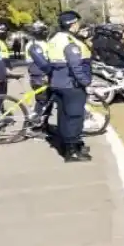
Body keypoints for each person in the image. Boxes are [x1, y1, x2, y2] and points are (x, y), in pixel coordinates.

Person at [47, 11, 93, 162]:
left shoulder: (54, 39)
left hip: (57, 83)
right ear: (73, 24)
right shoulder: (69, 41)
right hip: (71, 84)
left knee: (64, 116)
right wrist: (86, 82)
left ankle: (69, 145)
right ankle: (72, 151)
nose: (78, 26)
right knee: (74, 116)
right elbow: (76, 66)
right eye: (77, 23)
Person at [25, 22, 52, 130]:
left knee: (48, 101)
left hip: (43, 75)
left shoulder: (43, 43)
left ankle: (43, 124)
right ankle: (35, 125)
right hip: (39, 76)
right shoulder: (34, 45)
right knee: (42, 101)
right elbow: (42, 62)